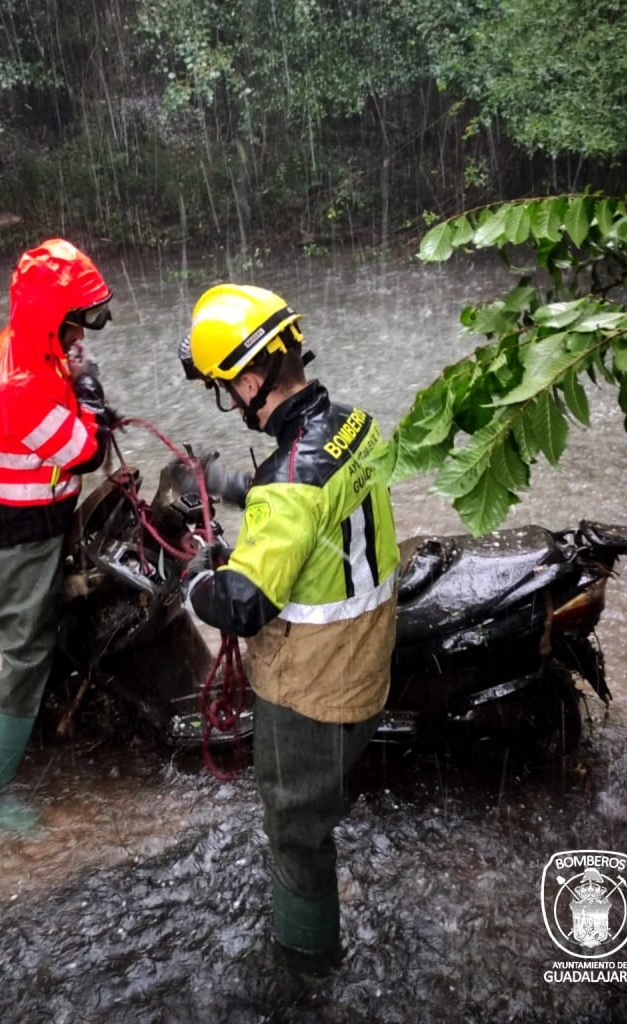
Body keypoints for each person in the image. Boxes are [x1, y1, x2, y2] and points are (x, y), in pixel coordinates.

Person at [179, 283, 400, 970]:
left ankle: (307, 967)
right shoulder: (357, 425)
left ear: (251, 379)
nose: (231, 403)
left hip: (313, 692)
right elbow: (317, 490)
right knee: (319, 809)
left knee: (295, 830)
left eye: (226, 389)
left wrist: (192, 576)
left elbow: (244, 606)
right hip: (368, 662)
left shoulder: (289, 487)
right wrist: (230, 486)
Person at [0, 237, 116, 803]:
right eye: (75, 325)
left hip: (37, 516)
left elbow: (67, 413)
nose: (80, 338)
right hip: (23, 532)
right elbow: (85, 452)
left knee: (46, 628)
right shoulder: (22, 384)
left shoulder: (22, 346)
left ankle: (39, 733)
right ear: (48, 318)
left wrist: (77, 381)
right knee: (24, 653)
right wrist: (93, 397)